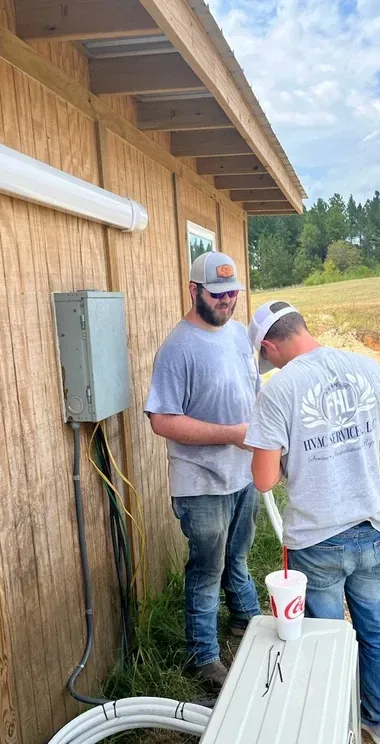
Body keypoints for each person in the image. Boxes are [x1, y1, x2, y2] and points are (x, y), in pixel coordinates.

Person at [245, 301, 380, 744]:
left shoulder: (277, 392)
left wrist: (296, 456)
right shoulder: (366, 368)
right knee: (374, 626)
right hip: (372, 528)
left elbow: (263, 478)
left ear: (269, 346)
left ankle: (334, 724)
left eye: (266, 358)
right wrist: (352, 445)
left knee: (323, 635)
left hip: (316, 540)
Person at [145, 251, 262, 694]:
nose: (228, 300)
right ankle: (203, 655)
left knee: (238, 553)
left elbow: (252, 390)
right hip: (201, 481)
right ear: (194, 291)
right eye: (217, 294)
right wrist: (230, 434)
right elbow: (162, 420)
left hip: (243, 472)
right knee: (207, 567)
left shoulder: (237, 335)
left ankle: (245, 620)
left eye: (233, 292)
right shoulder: (178, 349)